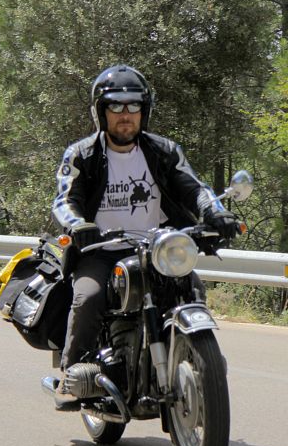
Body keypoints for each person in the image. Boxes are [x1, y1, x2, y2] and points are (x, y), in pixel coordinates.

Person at [51, 64, 239, 404]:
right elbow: (66, 200)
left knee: (191, 285)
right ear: (101, 112)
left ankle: (199, 361)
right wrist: (78, 226)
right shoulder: (82, 154)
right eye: (116, 107)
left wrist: (215, 212)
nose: (126, 115)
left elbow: (194, 188)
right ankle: (72, 374)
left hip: (157, 248)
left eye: (134, 106)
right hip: (101, 250)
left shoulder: (163, 151)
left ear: (144, 111)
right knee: (88, 297)